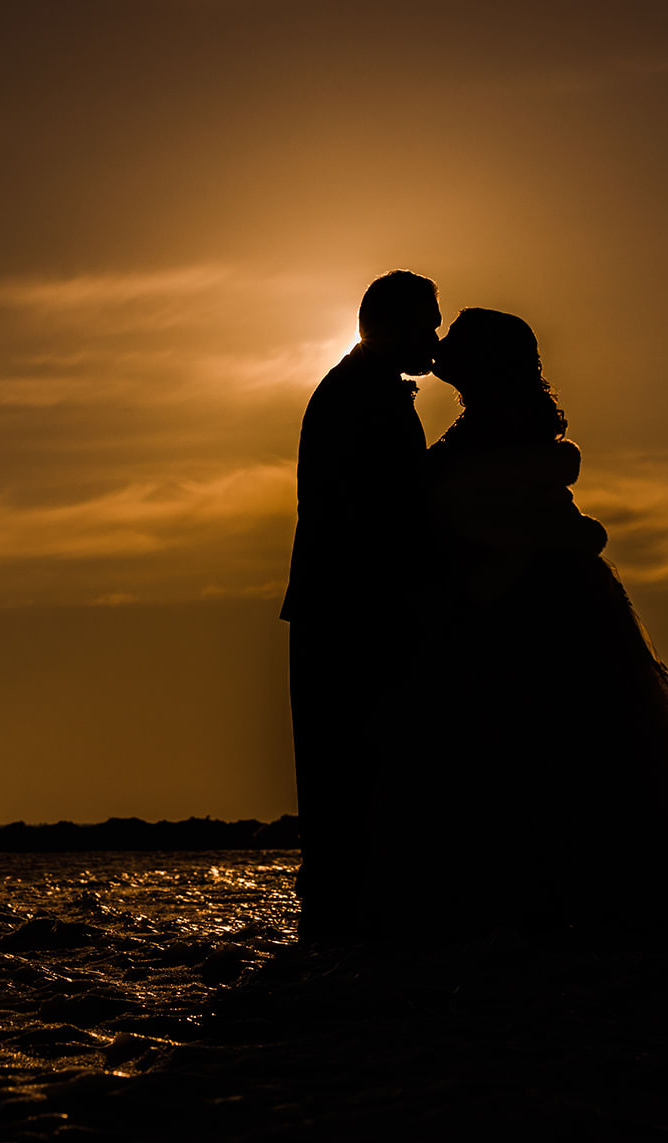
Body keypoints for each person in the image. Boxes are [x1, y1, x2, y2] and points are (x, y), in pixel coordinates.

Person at [414, 307, 668, 925]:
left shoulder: (501, 430)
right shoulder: (501, 426)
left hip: (533, 601)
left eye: (459, 343)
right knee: (568, 740)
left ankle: (572, 888)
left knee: (559, 736)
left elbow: (523, 514)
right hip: (535, 591)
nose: (443, 349)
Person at [280, 270, 441, 942]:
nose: (435, 336)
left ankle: (346, 916)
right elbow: (376, 516)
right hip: (349, 612)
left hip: (343, 606)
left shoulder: (363, 390)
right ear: (389, 325)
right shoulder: (360, 399)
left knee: (349, 775)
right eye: (426, 322)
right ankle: (338, 923)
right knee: (346, 772)